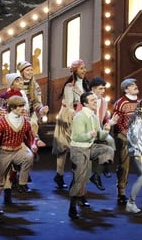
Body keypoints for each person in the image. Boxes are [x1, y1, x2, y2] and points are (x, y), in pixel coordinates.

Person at [0, 95, 36, 225]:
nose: (22, 109)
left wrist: (32, 145)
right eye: (19, 106)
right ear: (12, 108)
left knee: (28, 157)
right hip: (3, 153)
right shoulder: (3, 122)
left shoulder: (25, 122)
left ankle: (22, 183)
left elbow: (29, 137)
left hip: (17, 150)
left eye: (23, 106)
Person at [68, 91, 115, 219]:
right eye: (93, 100)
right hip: (78, 149)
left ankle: (96, 176)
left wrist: (107, 128)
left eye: (96, 99)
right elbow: (77, 137)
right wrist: (89, 135)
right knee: (80, 178)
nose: (96, 102)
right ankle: (72, 207)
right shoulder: (80, 116)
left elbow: (100, 135)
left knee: (108, 150)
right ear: (85, 103)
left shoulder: (94, 117)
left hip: (89, 147)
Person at [52, 59, 89, 189]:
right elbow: (69, 104)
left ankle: (76, 175)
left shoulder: (86, 85)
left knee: (78, 147)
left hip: (80, 117)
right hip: (68, 118)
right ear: (74, 71)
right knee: (64, 147)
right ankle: (59, 174)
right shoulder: (69, 86)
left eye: (84, 68)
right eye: (81, 68)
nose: (84, 70)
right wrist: (74, 114)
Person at [110, 77, 142, 205]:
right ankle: (121, 191)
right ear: (126, 89)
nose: (135, 86)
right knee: (124, 164)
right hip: (124, 136)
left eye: (135, 84)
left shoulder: (139, 102)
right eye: (132, 85)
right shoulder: (121, 103)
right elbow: (117, 122)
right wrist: (127, 134)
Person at [87, 76, 115, 192]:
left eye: (104, 89)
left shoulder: (103, 101)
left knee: (111, 141)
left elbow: (105, 117)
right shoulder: (86, 99)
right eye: (100, 89)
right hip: (89, 132)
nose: (103, 91)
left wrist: (109, 122)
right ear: (93, 89)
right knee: (107, 142)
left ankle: (102, 169)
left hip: (100, 130)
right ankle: (104, 167)